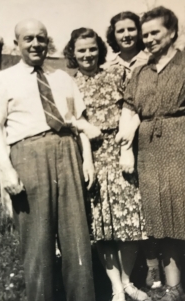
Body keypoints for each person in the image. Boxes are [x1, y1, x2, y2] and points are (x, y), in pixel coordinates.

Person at [0, 19, 97, 301]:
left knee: (77, 241)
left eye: (41, 38)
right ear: (17, 44)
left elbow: (79, 120)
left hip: (68, 152)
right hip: (28, 154)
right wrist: (7, 170)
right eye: (28, 39)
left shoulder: (62, 78)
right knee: (37, 243)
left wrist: (87, 160)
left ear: (49, 42)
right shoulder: (3, 80)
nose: (36, 44)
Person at [64, 27, 150, 301]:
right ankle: (115, 288)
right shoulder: (69, 84)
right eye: (81, 50)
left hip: (122, 152)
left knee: (131, 223)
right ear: (73, 53)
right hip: (92, 157)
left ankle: (127, 282)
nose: (88, 54)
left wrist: (127, 150)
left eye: (92, 48)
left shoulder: (116, 74)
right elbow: (68, 118)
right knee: (103, 227)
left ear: (99, 49)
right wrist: (82, 123)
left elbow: (134, 106)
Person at [116, 6, 185, 301]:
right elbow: (129, 109)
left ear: (172, 32)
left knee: (181, 213)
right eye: (145, 35)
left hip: (179, 144)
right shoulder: (141, 71)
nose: (148, 39)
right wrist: (126, 150)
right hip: (149, 151)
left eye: (155, 32)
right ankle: (173, 286)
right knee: (162, 220)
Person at [106, 11, 161, 289]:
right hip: (117, 142)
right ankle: (133, 273)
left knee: (150, 200)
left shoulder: (151, 60)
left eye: (131, 29)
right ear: (113, 36)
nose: (127, 35)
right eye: (120, 31)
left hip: (149, 137)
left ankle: (154, 266)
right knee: (130, 203)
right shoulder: (107, 66)